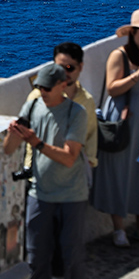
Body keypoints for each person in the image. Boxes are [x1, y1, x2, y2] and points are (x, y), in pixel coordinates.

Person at [5, 63, 89, 279]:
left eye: (47, 88)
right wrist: (13, 134)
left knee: (71, 257)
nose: (42, 92)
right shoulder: (32, 107)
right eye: (39, 87)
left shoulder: (77, 113)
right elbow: (9, 149)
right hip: (39, 194)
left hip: (71, 196)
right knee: (36, 259)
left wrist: (36, 142)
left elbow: (69, 157)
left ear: (63, 86)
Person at [91, 8, 139, 247]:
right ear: (133, 33)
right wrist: (138, 74)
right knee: (119, 171)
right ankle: (118, 229)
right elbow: (113, 87)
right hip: (124, 119)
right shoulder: (120, 55)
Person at [53, 41, 99, 180]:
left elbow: (91, 133)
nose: (64, 73)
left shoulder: (87, 101)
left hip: (76, 175)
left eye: (69, 68)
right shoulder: (39, 97)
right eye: (60, 67)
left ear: (80, 67)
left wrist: (90, 160)